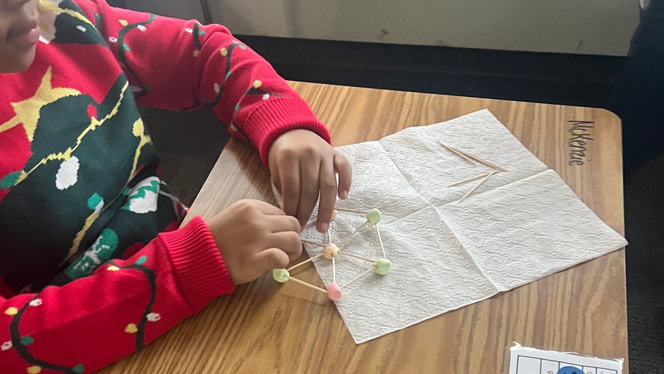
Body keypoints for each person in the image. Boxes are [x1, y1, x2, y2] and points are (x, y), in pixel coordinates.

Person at [0, 0, 351, 372]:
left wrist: (283, 123)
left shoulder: (60, 17)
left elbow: (200, 52)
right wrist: (185, 269)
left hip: (200, 264)